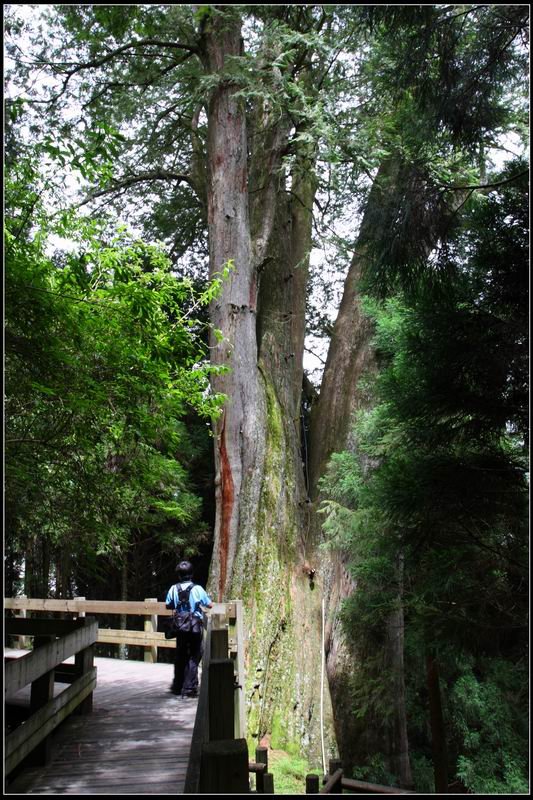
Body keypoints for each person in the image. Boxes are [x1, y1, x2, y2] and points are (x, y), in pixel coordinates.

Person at [166, 560, 212, 698]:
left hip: (180, 626)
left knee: (180, 655)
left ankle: (177, 686)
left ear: (179, 575)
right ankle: (190, 688)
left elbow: (169, 605)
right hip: (194, 626)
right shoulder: (197, 589)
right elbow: (209, 604)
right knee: (195, 655)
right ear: (191, 574)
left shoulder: (173, 589)